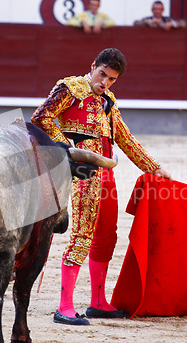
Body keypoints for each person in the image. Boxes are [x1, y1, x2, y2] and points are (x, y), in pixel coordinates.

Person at [31, 48, 171, 326]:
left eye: (111, 79)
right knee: (82, 234)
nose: (104, 82)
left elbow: (125, 138)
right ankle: (65, 306)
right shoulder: (70, 88)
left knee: (107, 235)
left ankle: (97, 302)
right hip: (81, 172)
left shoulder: (108, 101)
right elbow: (41, 117)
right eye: (102, 74)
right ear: (93, 66)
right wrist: (68, 148)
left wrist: (153, 167)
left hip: (106, 175)